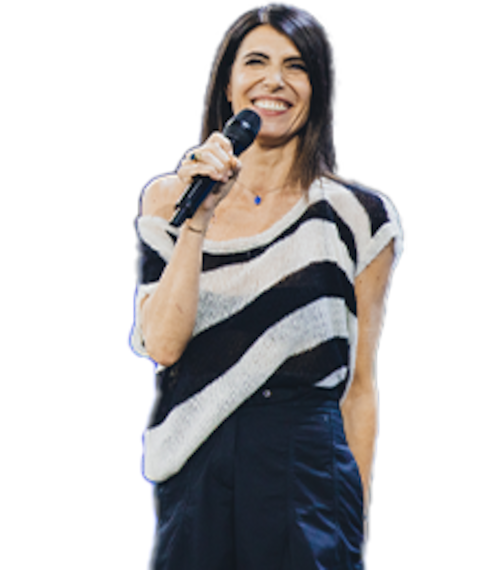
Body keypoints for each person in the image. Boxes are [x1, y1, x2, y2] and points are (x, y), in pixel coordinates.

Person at [131, 4, 404, 570]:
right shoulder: (171, 199)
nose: (274, 80)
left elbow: (359, 386)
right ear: (228, 84)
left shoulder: (359, 216)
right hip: (196, 467)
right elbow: (161, 345)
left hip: (306, 472)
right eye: (255, 62)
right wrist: (198, 220)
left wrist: (351, 523)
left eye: (296, 66)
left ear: (318, 87)